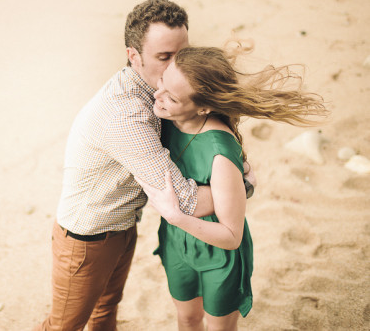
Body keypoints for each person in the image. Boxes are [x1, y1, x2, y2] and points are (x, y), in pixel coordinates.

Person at [35, 0, 230, 331]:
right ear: (134, 56)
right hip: (86, 240)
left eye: (181, 55)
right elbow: (183, 200)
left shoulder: (159, 93)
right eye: (164, 57)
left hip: (123, 226)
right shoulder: (128, 113)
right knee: (64, 327)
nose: (175, 68)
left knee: (106, 309)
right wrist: (239, 187)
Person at [137, 45, 328, 331]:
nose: (157, 95)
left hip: (218, 255)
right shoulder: (163, 120)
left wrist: (176, 217)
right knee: (187, 319)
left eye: (172, 97)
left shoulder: (219, 150)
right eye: (163, 80)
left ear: (203, 107)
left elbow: (231, 236)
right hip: (177, 243)